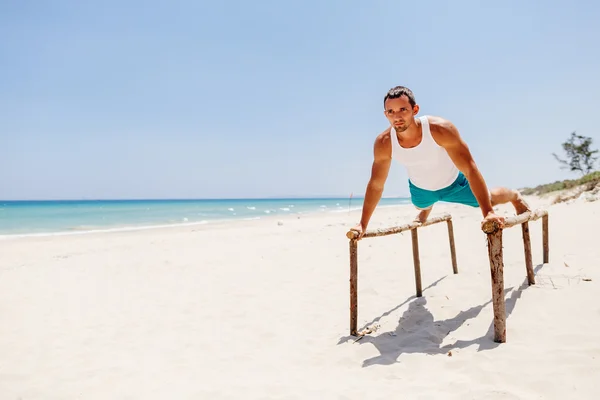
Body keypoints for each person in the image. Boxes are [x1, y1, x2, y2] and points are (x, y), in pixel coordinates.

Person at [350, 85, 530, 240]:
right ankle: (426, 208)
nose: (397, 116)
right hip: (421, 189)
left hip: (454, 183)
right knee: (420, 205)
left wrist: (488, 211)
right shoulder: (384, 143)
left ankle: (514, 195)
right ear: (385, 114)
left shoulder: (440, 129)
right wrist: (362, 224)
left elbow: (469, 168)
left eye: (403, 110)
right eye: (391, 111)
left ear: (415, 109)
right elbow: (376, 185)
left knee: (489, 199)